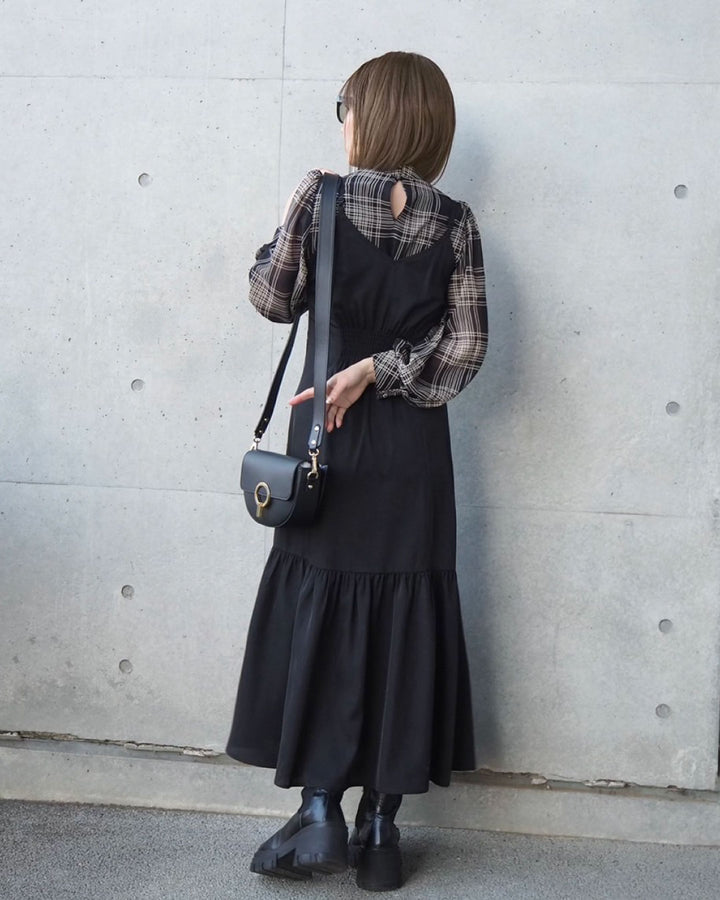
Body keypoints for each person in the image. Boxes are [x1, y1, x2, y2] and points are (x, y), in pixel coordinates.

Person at [226, 50, 488, 892]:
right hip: (414, 456)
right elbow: (466, 350)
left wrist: (288, 230)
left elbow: (273, 298)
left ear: (368, 117)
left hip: (326, 442)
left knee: (322, 614)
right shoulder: (457, 223)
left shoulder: (322, 195)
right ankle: (380, 828)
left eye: (347, 107)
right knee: (404, 620)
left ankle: (318, 813)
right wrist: (385, 369)